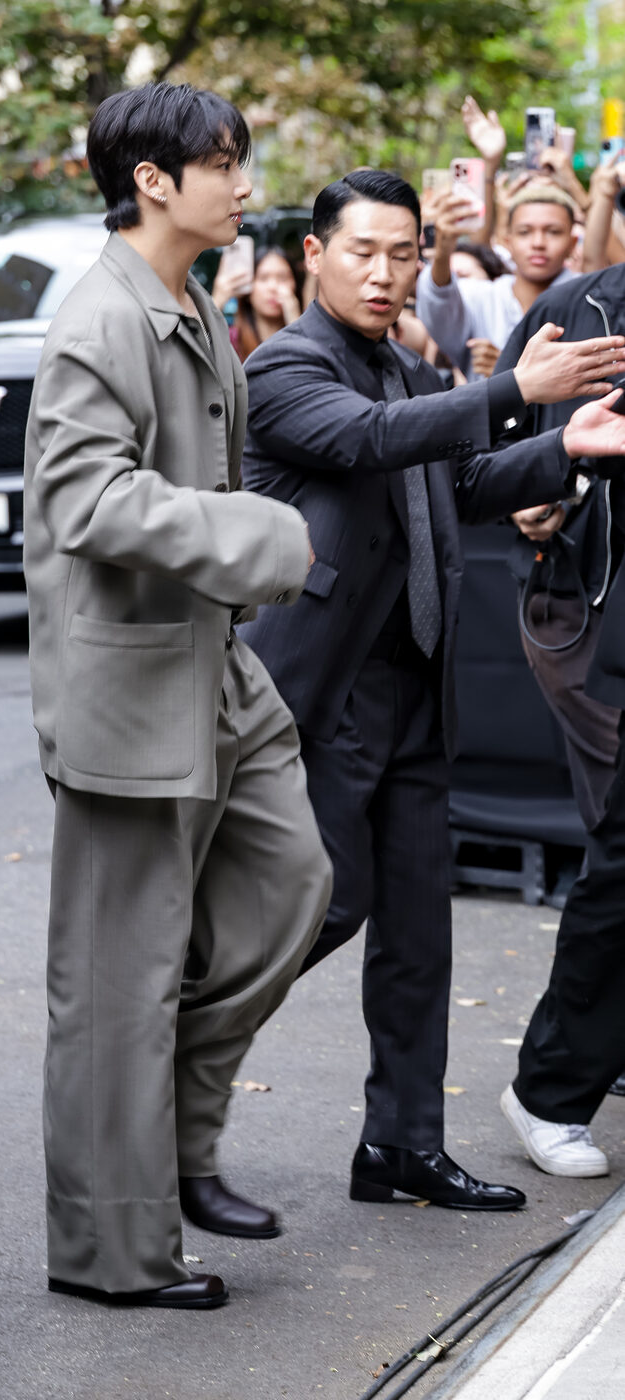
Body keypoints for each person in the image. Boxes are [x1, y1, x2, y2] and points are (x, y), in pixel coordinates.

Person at [238, 168, 625, 1211]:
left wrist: (562, 446)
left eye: (401, 254)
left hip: (414, 678)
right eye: (361, 251)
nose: (382, 272)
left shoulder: (405, 369)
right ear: (314, 254)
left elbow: (454, 484)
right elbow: (367, 442)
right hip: (328, 692)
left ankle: (402, 1146)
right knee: (316, 911)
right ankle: (168, 1065)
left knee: (418, 933)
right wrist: (513, 393)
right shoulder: (284, 365)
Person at [23, 82, 332, 1311]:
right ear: (153, 180)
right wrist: (264, 536)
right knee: (115, 984)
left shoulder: (191, 302)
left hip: (213, 671)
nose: (245, 186)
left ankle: (174, 1142)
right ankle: (114, 1253)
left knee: (293, 883)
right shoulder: (98, 321)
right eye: (225, 163)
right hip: (126, 695)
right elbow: (87, 501)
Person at [494, 262, 625, 1173]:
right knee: (620, 863)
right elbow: (503, 433)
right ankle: (550, 1089)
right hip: (586, 603)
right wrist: (540, 492)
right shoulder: (582, 304)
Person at [416, 183, 579, 380]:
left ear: (572, 243)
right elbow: (439, 303)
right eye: (524, 232)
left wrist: (507, 367)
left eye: (553, 232)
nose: (538, 243)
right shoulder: (479, 296)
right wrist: (442, 254)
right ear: (508, 241)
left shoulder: (590, 301)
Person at [212, 245, 301, 361]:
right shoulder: (230, 340)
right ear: (248, 290)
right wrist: (216, 303)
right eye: (263, 278)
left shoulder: (309, 337)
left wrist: (295, 323)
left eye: (282, 278)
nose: (273, 287)